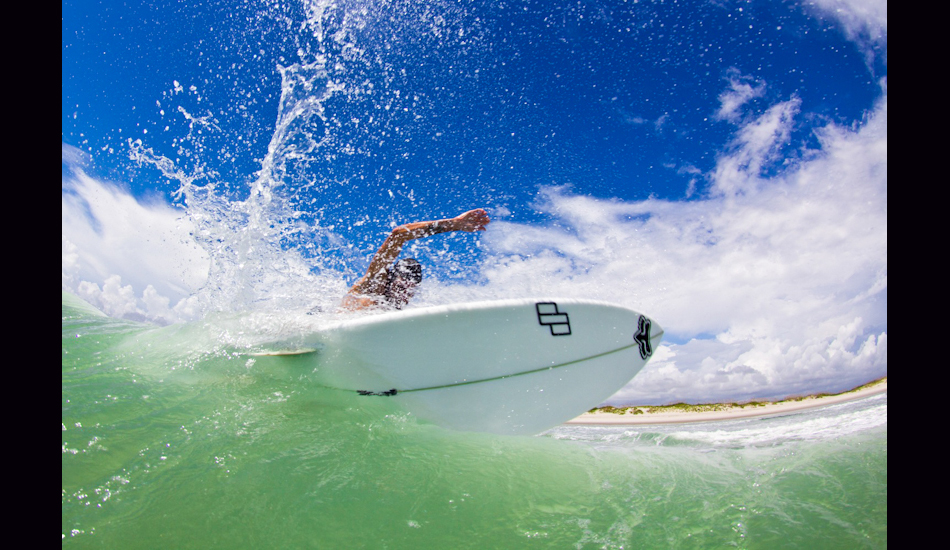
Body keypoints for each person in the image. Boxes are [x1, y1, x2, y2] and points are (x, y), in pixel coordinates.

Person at [341, 208, 491, 311]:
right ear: (390, 280)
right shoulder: (374, 286)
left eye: (409, 291)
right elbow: (398, 235)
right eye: (400, 288)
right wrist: (454, 224)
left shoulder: (394, 313)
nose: (403, 296)